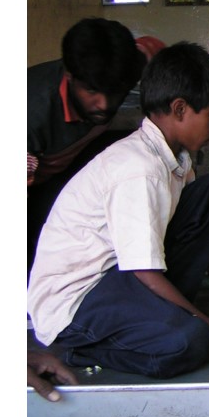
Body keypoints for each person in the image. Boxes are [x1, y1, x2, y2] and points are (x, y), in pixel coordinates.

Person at [27, 43, 209, 377]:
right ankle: (81, 350)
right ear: (180, 109)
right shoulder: (140, 169)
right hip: (78, 300)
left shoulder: (177, 158)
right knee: (190, 341)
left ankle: (166, 316)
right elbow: (144, 271)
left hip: (121, 277)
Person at [27, 18, 146, 267]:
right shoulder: (31, 112)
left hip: (62, 164)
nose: (104, 104)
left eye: (114, 91)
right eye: (92, 91)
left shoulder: (130, 67)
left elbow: (149, 50)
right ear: (69, 76)